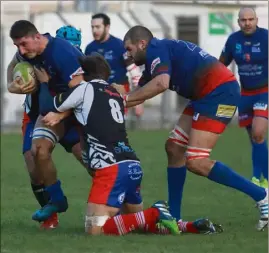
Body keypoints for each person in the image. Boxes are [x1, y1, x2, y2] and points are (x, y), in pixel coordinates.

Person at [37, 54, 223, 235]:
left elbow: (46, 106)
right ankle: (189, 227)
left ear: (84, 75)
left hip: (110, 168)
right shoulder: (115, 92)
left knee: (95, 229)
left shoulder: (84, 89)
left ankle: (156, 211)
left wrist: (44, 82)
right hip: (131, 165)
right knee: (137, 224)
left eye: (76, 73)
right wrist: (63, 114)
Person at [119, 25, 268, 231]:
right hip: (204, 95)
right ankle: (175, 218)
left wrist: (123, 100)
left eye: (129, 48)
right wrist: (114, 97)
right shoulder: (156, 55)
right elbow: (140, 90)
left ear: (142, 43)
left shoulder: (156, 50)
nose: (128, 54)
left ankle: (262, 196)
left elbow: (161, 84)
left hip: (219, 93)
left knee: (196, 161)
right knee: (174, 148)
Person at [8, 20, 87, 227]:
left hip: (71, 116)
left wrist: (59, 112)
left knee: (91, 163)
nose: (21, 50)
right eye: (18, 46)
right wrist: (13, 86)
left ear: (37, 37)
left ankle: (122, 207)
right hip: (41, 115)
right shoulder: (26, 54)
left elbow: (80, 91)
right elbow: (12, 66)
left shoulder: (63, 53)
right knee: (36, 157)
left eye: (24, 44)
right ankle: (54, 205)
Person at [219, 7, 268, 188]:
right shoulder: (233, 40)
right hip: (245, 94)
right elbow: (220, 65)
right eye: (243, 20)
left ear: (256, 20)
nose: (247, 23)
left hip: (265, 91)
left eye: (250, 19)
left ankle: (260, 178)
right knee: (255, 138)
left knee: (258, 132)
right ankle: (261, 178)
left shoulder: (266, 37)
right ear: (239, 22)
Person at [85, 13, 143, 117]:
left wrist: (138, 100)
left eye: (98, 27)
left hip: (118, 92)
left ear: (107, 27)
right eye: (92, 27)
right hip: (96, 94)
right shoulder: (89, 48)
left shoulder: (120, 46)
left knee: (116, 128)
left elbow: (134, 71)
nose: (94, 30)